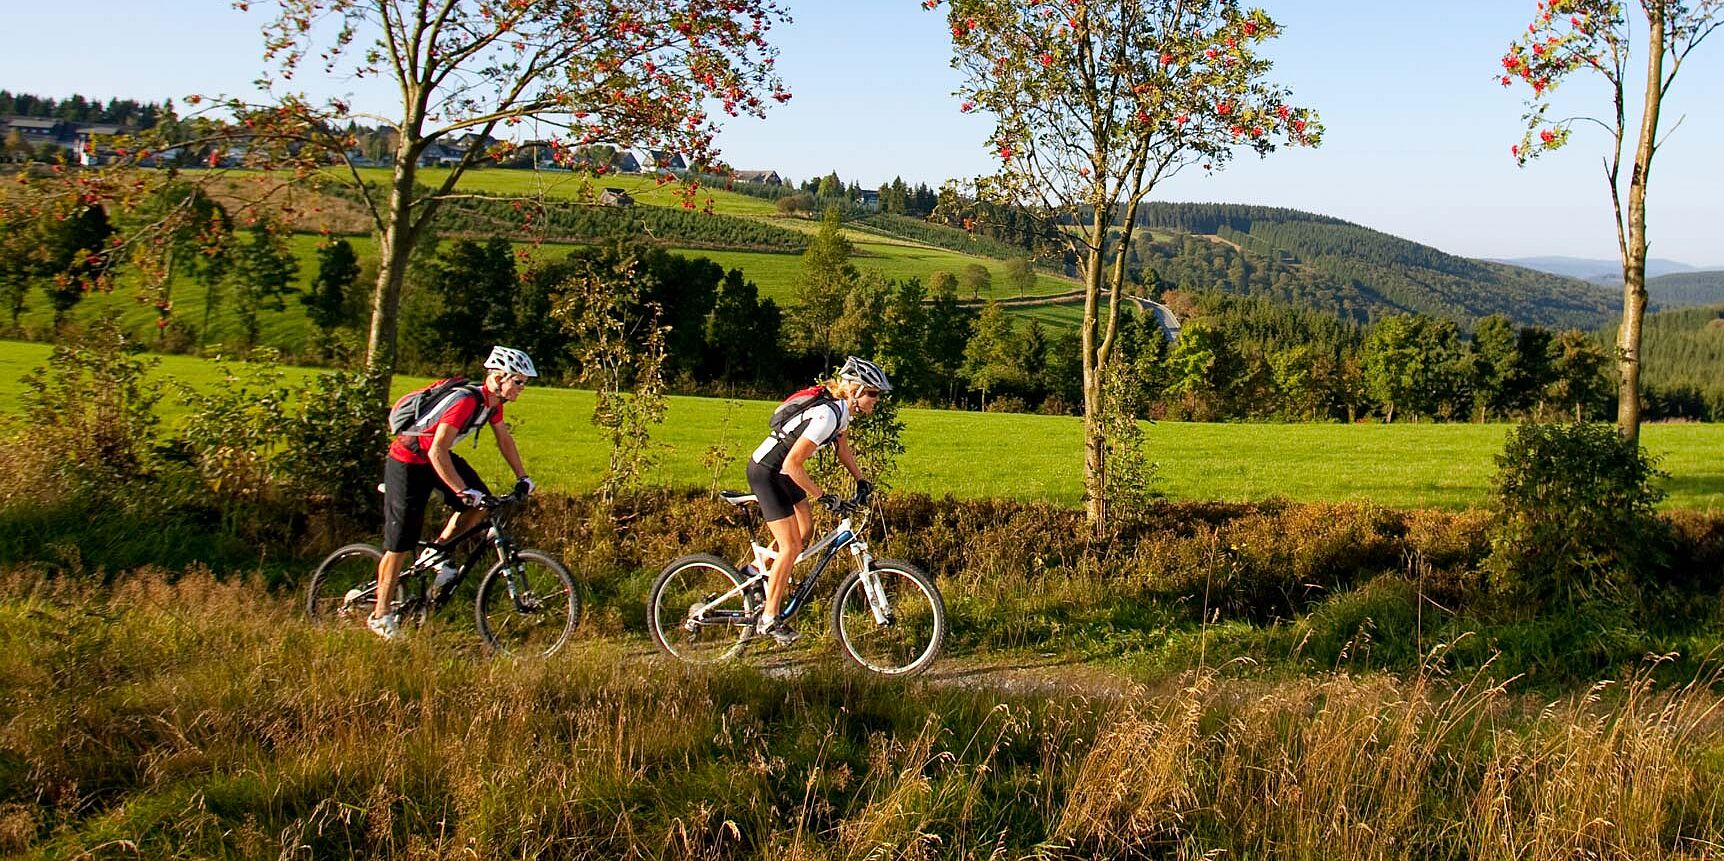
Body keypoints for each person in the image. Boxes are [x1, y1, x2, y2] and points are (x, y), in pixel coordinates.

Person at [368, 346, 538, 640]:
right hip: (408, 461)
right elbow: (437, 449)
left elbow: (504, 439)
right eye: (519, 381)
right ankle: (380, 614)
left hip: (436, 458)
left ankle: (435, 553)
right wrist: (461, 490)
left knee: (484, 503)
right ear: (499, 377)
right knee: (400, 542)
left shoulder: (493, 403)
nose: (522, 388)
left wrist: (523, 477)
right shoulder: (465, 402)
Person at [745, 355, 890, 645]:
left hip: (782, 472)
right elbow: (792, 465)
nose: (876, 400)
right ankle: (769, 618)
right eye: (873, 393)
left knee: (805, 530)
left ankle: (752, 575)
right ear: (855, 391)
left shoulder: (841, 412)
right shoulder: (826, 415)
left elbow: (843, 451)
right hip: (767, 472)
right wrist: (824, 497)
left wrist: (862, 480)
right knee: (791, 546)